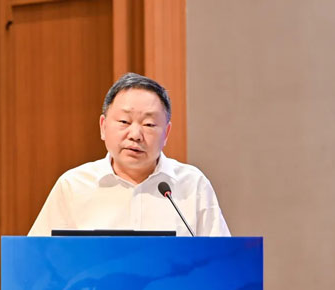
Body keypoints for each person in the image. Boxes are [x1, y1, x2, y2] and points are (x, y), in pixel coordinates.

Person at [28, 72, 230, 236]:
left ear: (166, 133)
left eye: (149, 124)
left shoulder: (193, 185)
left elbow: (221, 262)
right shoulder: (73, 186)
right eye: (124, 122)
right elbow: (38, 261)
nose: (135, 135)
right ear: (103, 126)